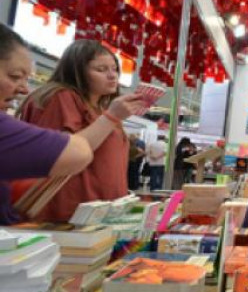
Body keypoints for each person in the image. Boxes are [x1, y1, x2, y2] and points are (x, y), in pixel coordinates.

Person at [18, 39, 143, 222]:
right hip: (70, 215)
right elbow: (63, 153)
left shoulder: (100, 107)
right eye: (100, 70)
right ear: (76, 71)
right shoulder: (60, 97)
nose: (112, 76)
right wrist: (111, 118)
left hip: (100, 213)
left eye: (114, 69)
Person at [0, 24, 94, 225]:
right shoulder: (59, 98)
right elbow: (77, 153)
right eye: (14, 76)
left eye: (114, 69)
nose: (24, 89)